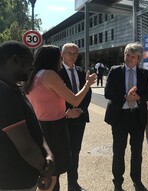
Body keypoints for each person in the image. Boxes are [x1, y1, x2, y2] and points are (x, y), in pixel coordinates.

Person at [24, 45, 96, 191]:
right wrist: (87, 84)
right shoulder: (50, 75)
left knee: (47, 172)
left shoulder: (34, 75)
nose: (61, 61)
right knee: (53, 173)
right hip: (54, 129)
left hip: (40, 126)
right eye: (60, 57)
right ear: (53, 58)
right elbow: (75, 99)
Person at [0, 41, 54, 191]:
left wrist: (48, 156)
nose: (32, 67)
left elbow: (34, 129)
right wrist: (45, 169)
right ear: (14, 60)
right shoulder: (4, 94)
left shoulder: (13, 89)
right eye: (30, 61)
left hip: (22, 177)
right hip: (13, 181)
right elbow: (26, 148)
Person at [104, 42, 148, 191]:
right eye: (127, 55)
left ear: (138, 58)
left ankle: (136, 179)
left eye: (133, 56)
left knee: (137, 151)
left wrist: (138, 97)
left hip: (138, 117)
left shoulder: (144, 73)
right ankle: (117, 182)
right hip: (120, 117)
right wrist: (126, 97)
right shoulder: (115, 71)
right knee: (118, 150)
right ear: (124, 55)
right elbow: (108, 92)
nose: (130, 59)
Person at [59, 43, 92, 191]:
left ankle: (73, 183)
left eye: (75, 54)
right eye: (69, 53)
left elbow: (87, 93)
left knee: (75, 151)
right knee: (60, 151)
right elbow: (55, 96)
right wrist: (67, 111)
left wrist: (79, 109)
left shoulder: (80, 71)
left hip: (79, 118)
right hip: (62, 119)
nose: (72, 56)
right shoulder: (56, 73)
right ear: (62, 54)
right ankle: (56, 184)